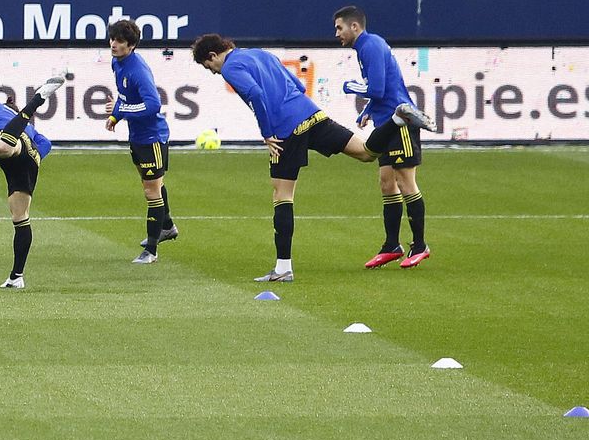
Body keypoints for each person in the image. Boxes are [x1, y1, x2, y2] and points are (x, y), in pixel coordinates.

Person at [191, 34, 433, 283]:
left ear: (212, 56)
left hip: (286, 129)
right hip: (313, 115)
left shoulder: (231, 66)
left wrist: (267, 133)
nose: (213, 72)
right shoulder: (261, 54)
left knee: (282, 195)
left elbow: (255, 93)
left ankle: (283, 268)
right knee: (365, 153)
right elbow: (298, 85)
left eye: (209, 67)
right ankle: (397, 120)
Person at [333, 6, 438, 269]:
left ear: (354, 26)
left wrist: (349, 86)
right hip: (386, 121)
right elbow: (383, 86)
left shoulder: (370, 46)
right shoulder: (366, 47)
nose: (336, 33)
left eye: (339, 27)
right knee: (386, 182)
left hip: (401, 121)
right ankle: (392, 245)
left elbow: (377, 88)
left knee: (405, 181)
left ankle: (420, 245)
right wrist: (369, 110)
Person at [0, 72, 68, 290]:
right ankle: (16, 276)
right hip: (26, 162)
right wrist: (34, 159)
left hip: (14, 147)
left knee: (0, 146)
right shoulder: (31, 130)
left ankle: (36, 100)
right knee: (19, 217)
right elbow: (46, 143)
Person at [105, 19, 179, 266]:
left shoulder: (138, 71)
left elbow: (154, 104)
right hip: (137, 136)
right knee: (153, 185)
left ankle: (151, 249)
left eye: (120, 42)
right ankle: (167, 226)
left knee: (151, 190)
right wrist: (116, 115)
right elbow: (124, 97)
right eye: (112, 39)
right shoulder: (117, 63)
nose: (113, 45)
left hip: (152, 137)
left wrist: (122, 109)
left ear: (132, 45)